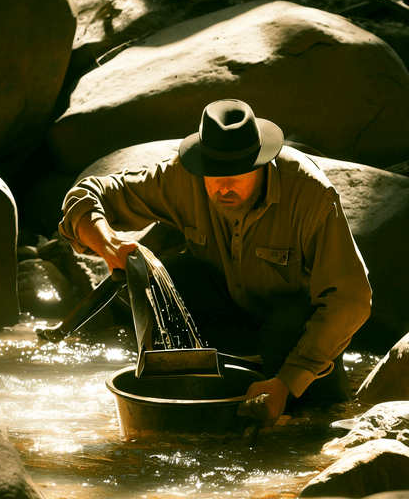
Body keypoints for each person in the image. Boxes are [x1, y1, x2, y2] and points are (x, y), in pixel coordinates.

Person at [58, 99, 372, 424]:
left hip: (296, 340)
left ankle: (298, 413)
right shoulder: (184, 176)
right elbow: (85, 196)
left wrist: (288, 380)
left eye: (236, 174)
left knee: (285, 328)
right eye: (214, 174)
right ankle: (185, 399)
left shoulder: (311, 194)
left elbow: (350, 300)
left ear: (261, 163)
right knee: (173, 276)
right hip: (231, 322)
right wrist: (108, 244)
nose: (223, 187)